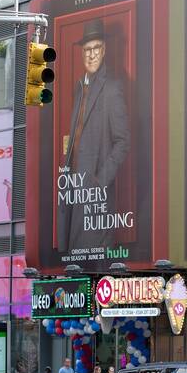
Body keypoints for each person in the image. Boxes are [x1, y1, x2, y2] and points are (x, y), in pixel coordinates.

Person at [57, 18, 131, 253]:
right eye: (87, 49)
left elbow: (123, 141)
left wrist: (101, 180)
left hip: (94, 191)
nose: (91, 55)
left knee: (93, 258)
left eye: (96, 48)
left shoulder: (112, 88)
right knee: (72, 255)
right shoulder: (80, 88)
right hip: (73, 187)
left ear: (104, 50)